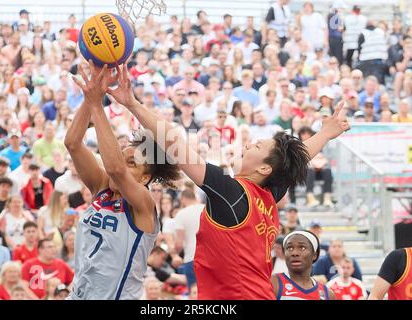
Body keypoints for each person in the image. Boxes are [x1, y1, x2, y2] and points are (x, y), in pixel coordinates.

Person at [110, 63, 350, 300]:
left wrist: (132, 103)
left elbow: (176, 145)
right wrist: (326, 134)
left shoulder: (232, 193)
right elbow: (296, 159)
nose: (247, 145)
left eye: (256, 146)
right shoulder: (267, 193)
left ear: (265, 167)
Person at [66, 62, 180, 300]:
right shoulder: (102, 188)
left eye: (133, 164)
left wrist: (98, 105)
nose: (121, 165)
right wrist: (90, 96)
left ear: (146, 177)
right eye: (123, 156)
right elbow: (73, 143)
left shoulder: (144, 203)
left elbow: (116, 168)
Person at [271, 231, 335, 300]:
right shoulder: (273, 283)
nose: (294, 253)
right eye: (289, 248)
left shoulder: (327, 294)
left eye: (302, 248)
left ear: (314, 255)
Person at [174, 189, 203, 289]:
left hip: (192, 257)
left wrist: (174, 253)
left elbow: (179, 244)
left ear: (183, 199)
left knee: (194, 292)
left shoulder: (181, 214)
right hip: (209, 257)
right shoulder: (206, 209)